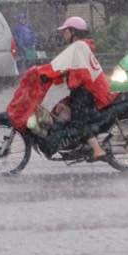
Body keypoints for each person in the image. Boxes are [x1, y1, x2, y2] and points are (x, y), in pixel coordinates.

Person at [37, 17, 116, 161]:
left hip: (87, 91)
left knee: (78, 121)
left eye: (65, 31)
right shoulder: (82, 45)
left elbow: (76, 72)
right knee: (62, 109)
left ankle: (97, 150)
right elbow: (71, 68)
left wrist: (47, 73)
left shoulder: (78, 46)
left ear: (73, 31)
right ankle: (81, 145)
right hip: (87, 89)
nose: (63, 34)